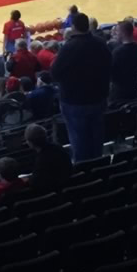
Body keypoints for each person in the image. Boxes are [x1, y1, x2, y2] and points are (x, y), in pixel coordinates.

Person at [50, 13, 111, 163]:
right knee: (96, 139)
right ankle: (99, 168)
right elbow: (110, 66)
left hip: (75, 101)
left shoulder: (69, 47)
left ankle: (85, 174)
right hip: (98, 98)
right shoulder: (100, 43)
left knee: (79, 142)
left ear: (74, 27)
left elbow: (55, 73)